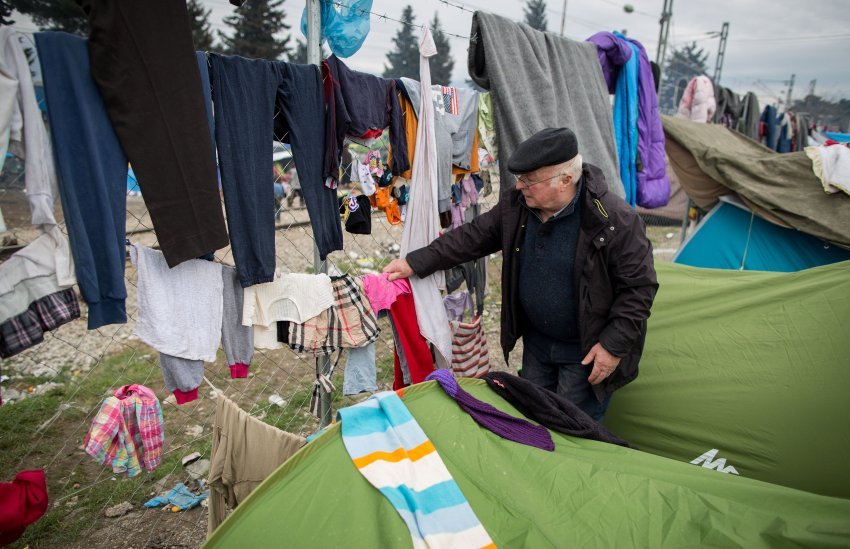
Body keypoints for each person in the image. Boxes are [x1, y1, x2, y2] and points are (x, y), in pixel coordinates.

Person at [383, 128, 658, 421]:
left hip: (585, 352)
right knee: (534, 419)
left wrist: (613, 346)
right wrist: (415, 262)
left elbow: (638, 289)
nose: (520, 186)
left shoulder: (614, 220)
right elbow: (472, 237)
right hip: (538, 345)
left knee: (574, 431)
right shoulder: (518, 206)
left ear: (565, 180)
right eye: (520, 178)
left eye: (529, 180)